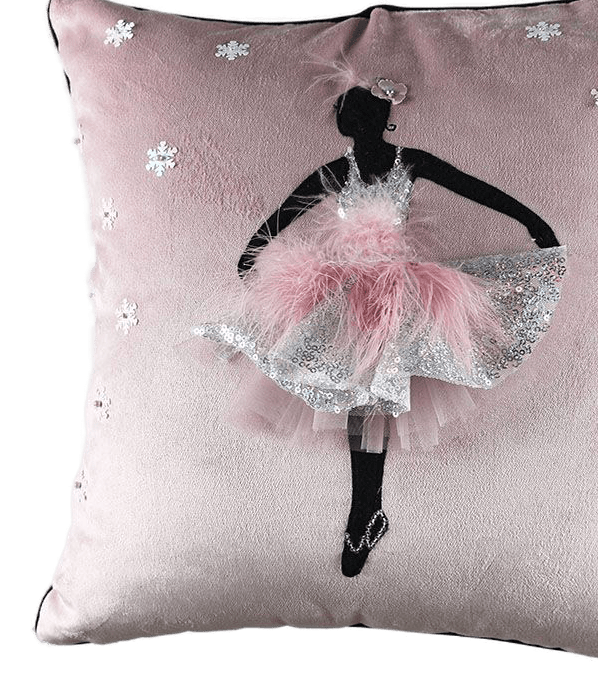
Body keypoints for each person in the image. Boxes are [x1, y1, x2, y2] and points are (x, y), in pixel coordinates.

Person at [193, 84, 566, 577]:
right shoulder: (335, 172)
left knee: (374, 393)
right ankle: (366, 510)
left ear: (382, 120)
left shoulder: (409, 163)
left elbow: (474, 188)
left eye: (368, 119)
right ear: (351, 125)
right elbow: (279, 218)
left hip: (395, 291)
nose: (363, 129)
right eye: (356, 121)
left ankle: (365, 511)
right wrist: (253, 262)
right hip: (348, 291)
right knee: (360, 393)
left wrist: (534, 224)